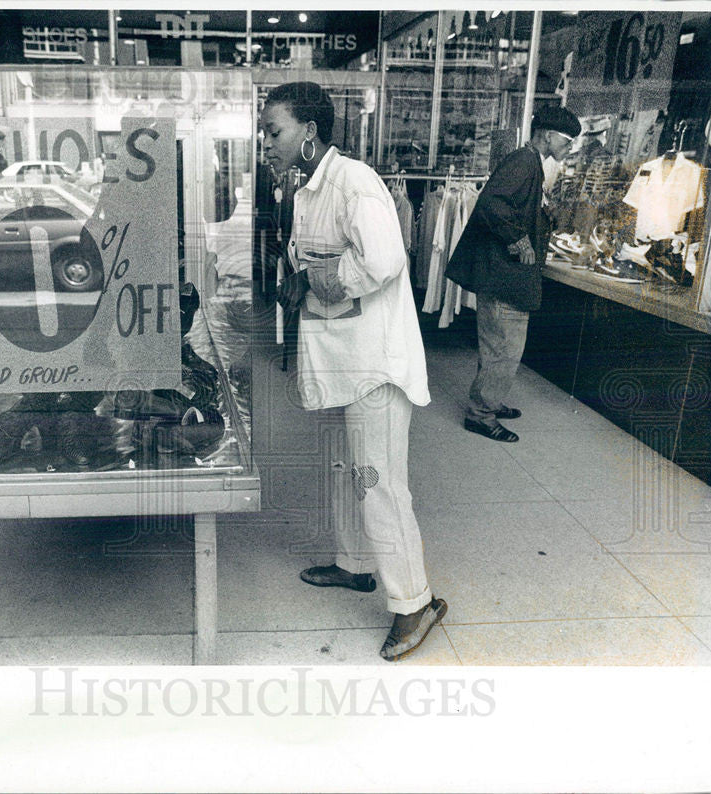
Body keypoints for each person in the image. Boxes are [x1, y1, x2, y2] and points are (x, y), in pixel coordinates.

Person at [262, 81, 446, 662]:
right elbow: (310, 256)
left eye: (275, 131)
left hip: (373, 360)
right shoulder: (304, 187)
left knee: (379, 481)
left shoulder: (356, 182)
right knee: (346, 468)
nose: (265, 142)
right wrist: (297, 279)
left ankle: (415, 601)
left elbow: (386, 261)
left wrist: (320, 280)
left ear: (309, 132)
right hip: (342, 354)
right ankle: (355, 565)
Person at [446, 105, 581, 442]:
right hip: (504, 277)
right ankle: (481, 413)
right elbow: (492, 204)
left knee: (497, 345)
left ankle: (488, 399)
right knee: (505, 348)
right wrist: (519, 240)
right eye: (567, 143)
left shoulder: (529, 162)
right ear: (548, 136)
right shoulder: (524, 162)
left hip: (502, 275)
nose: (568, 150)